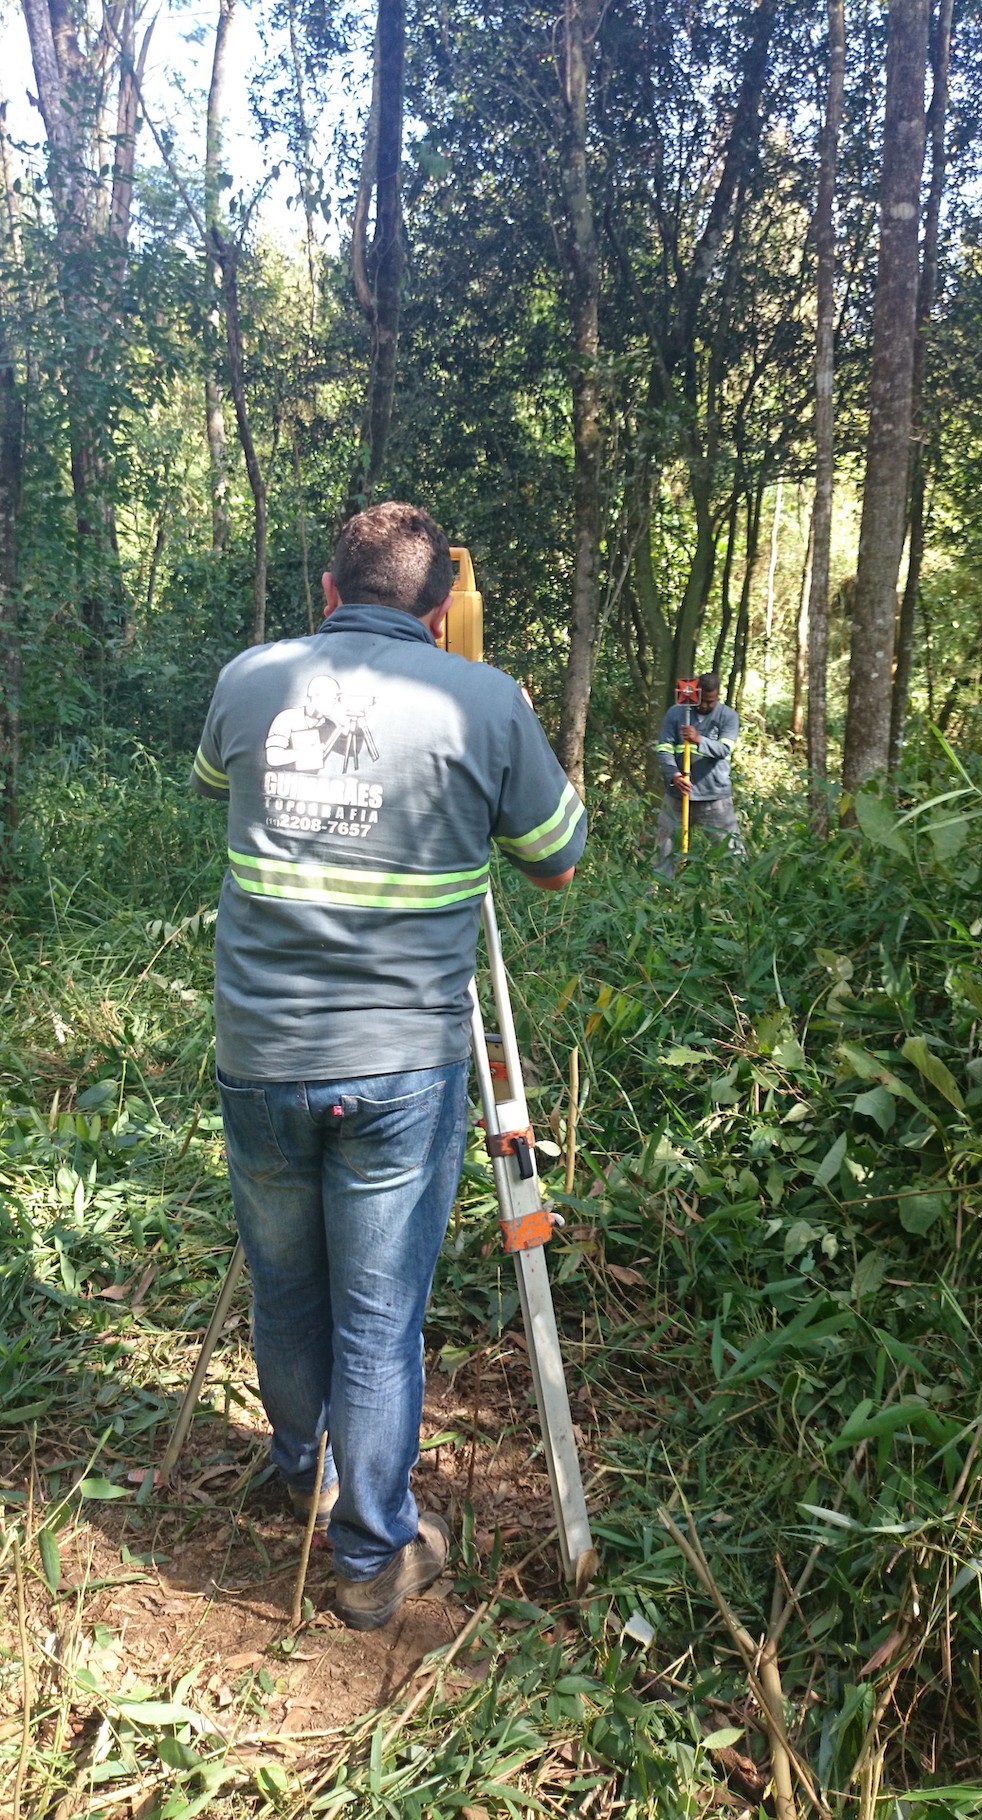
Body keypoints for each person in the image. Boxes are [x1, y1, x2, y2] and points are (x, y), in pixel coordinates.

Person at [191, 502, 586, 1629]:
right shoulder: (484, 699)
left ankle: (297, 1465)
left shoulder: (249, 675)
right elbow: (558, 861)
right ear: (435, 607)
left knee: (287, 1284)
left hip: (260, 1051)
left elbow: (222, 787)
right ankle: (369, 1553)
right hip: (402, 1065)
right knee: (377, 1311)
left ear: (328, 589)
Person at [653, 671, 744, 875]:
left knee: (730, 850)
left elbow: (724, 749)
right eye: (701, 700)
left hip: (714, 797)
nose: (704, 706)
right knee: (665, 849)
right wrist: (674, 775)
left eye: (710, 702)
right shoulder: (677, 713)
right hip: (677, 795)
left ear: (718, 696)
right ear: (694, 693)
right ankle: (659, 894)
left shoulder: (728, 716)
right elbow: (664, 748)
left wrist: (699, 739)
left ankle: (738, 892)